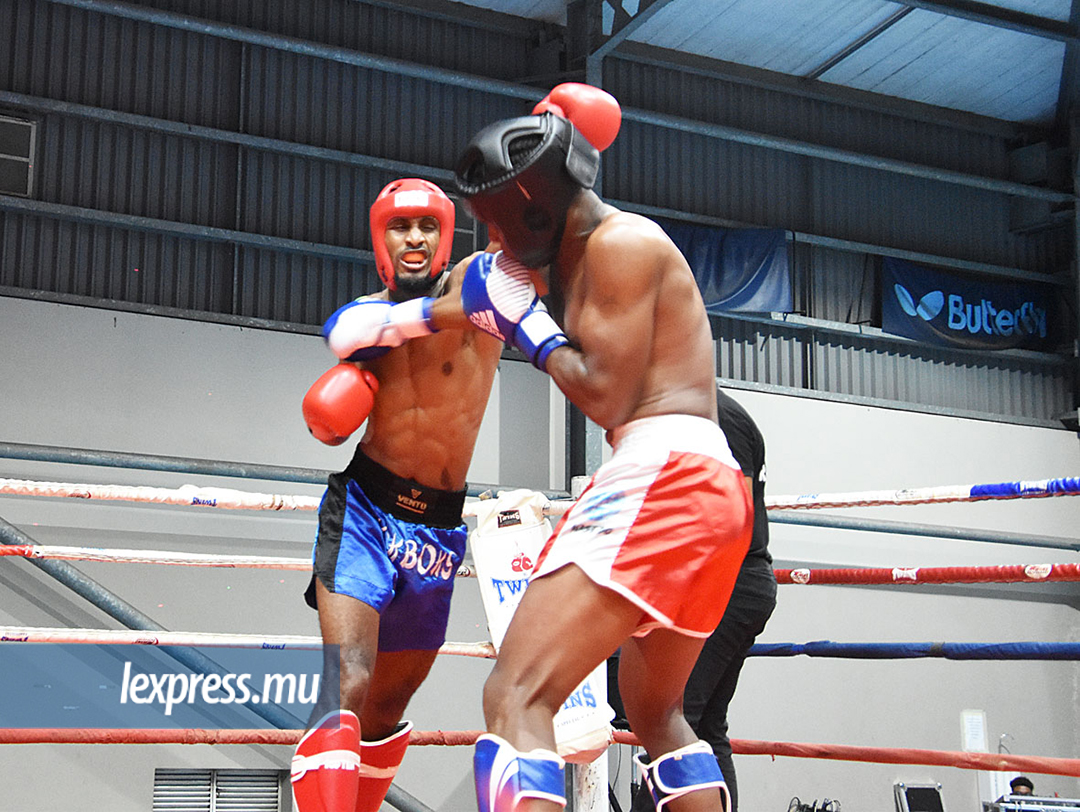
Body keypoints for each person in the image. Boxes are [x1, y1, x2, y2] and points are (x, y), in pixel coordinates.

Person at [451, 84, 751, 812]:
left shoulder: (620, 243)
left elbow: (605, 394)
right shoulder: (582, 252)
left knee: (516, 694)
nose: (491, 243)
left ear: (536, 208)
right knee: (657, 717)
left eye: (494, 224)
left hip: (663, 475)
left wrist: (529, 325)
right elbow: (471, 296)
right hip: (705, 488)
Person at [290, 178, 504, 812]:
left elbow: (518, 238)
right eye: (400, 227)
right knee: (348, 681)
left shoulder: (477, 295)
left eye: (428, 226)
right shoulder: (366, 319)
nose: (415, 238)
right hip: (364, 513)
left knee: (387, 708)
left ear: (447, 237)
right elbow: (342, 330)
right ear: (380, 239)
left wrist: (552, 145)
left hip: (436, 531)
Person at [613, 385, 777, 812]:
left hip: (727, 583)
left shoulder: (720, 418)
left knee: (669, 720)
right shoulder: (691, 418)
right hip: (722, 581)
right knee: (705, 726)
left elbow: (731, 517)